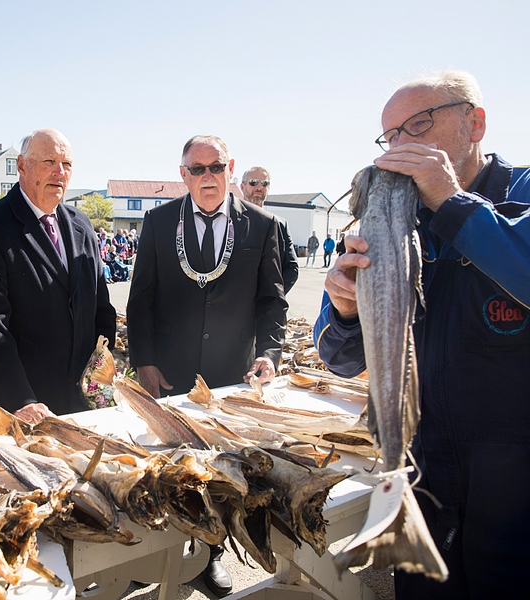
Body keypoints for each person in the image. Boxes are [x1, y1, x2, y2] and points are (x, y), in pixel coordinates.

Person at [314, 70, 530, 599]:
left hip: (517, 489)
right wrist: (345, 310)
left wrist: (451, 203)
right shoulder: (388, 215)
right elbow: (338, 359)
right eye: (391, 136)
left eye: (419, 125)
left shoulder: (521, 192)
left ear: (474, 124)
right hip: (425, 473)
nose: (400, 146)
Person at [126, 135, 287, 597]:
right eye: (196, 170)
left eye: (215, 167)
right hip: (170, 373)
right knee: (168, 465)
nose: (207, 177)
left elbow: (271, 301)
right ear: (183, 175)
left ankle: (210, 557)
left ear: (229, 169)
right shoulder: (158, 223)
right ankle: (158, 553)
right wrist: (144, 362)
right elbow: (141, 300)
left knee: (219, 470)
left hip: (229, 373)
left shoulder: (262, 225)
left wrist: (270, 355)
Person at [0, 128, 115, 423]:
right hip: (22, 408)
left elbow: (101, 310)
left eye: (67, 164)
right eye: (49, 161)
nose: (59, 172)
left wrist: (100, 378)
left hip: (82, 403)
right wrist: (20, 399)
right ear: (21, 166)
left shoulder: (81, 225)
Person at [240, 166, 299, 293]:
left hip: (268, 307)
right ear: (242, 187)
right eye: (253, 182)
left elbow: (291, 268)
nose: (259, 187)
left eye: (265, 183)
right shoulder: (230, 222)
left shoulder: (280, 225)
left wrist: (272, 297)